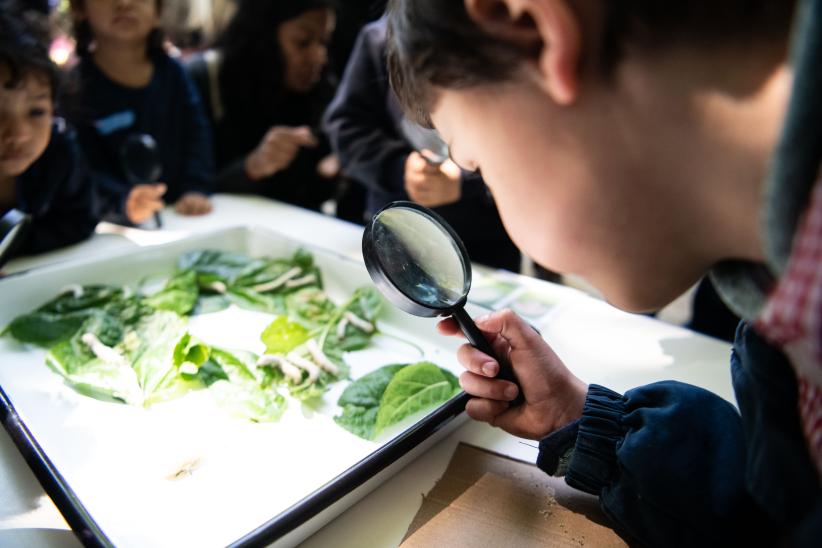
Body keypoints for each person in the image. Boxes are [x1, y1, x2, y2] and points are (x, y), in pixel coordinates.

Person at [386, 0, 821, 546]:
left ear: (536, 33)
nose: (498, 203)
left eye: (480, 166)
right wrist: (585, 421)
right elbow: (774, 518)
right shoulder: (786, 324)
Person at [324, 18, 520, 272]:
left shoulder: (499, 45)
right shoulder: (378, 41)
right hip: (396, 236)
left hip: (486, 246)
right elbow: (346, 126)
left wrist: (467, 181)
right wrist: (399, 169)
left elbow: (526, 154)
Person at [68, 0, 214, 226]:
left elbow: (197, 135)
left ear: (158, 11)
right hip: (110, 228)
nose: (124, 3)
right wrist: (122, 202)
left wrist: (195, 187)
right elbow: (80, 168)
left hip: (182, 215)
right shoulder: (74, 89)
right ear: (80, 8)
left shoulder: (174, 74)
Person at [186, 0, 339, 213]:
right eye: (302, 42)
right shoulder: (206, 80)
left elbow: (312, 196)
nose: (319, 56)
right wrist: (251, 167)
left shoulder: (323, 89)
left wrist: (332, 171)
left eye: (324, 42)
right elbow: (187, 188)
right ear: (263, 37)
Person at [0, 3, 98, 257]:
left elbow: (81, 219)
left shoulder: (59, 151)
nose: (19, 133)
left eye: (36, 112)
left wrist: (12, 247)